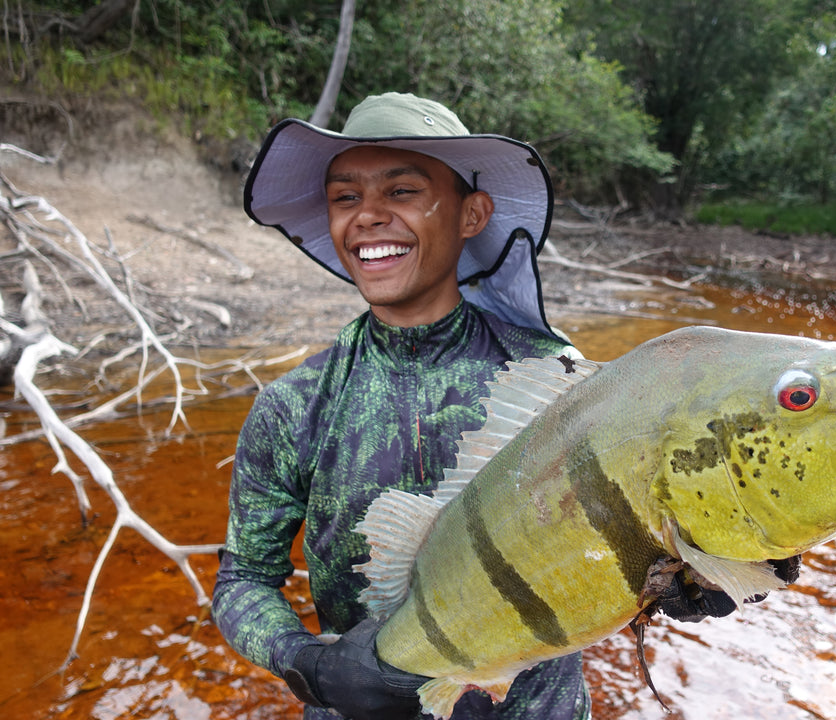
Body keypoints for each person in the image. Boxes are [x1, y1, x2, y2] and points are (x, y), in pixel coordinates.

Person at [212, 92, 798, 720]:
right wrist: (309, 663)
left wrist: (689, 576)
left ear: (472, 214)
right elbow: (243, 578)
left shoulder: (560, 380)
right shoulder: (293, 408)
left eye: (402, 191)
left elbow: (637, 528)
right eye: (345, 198)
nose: (368, 217)